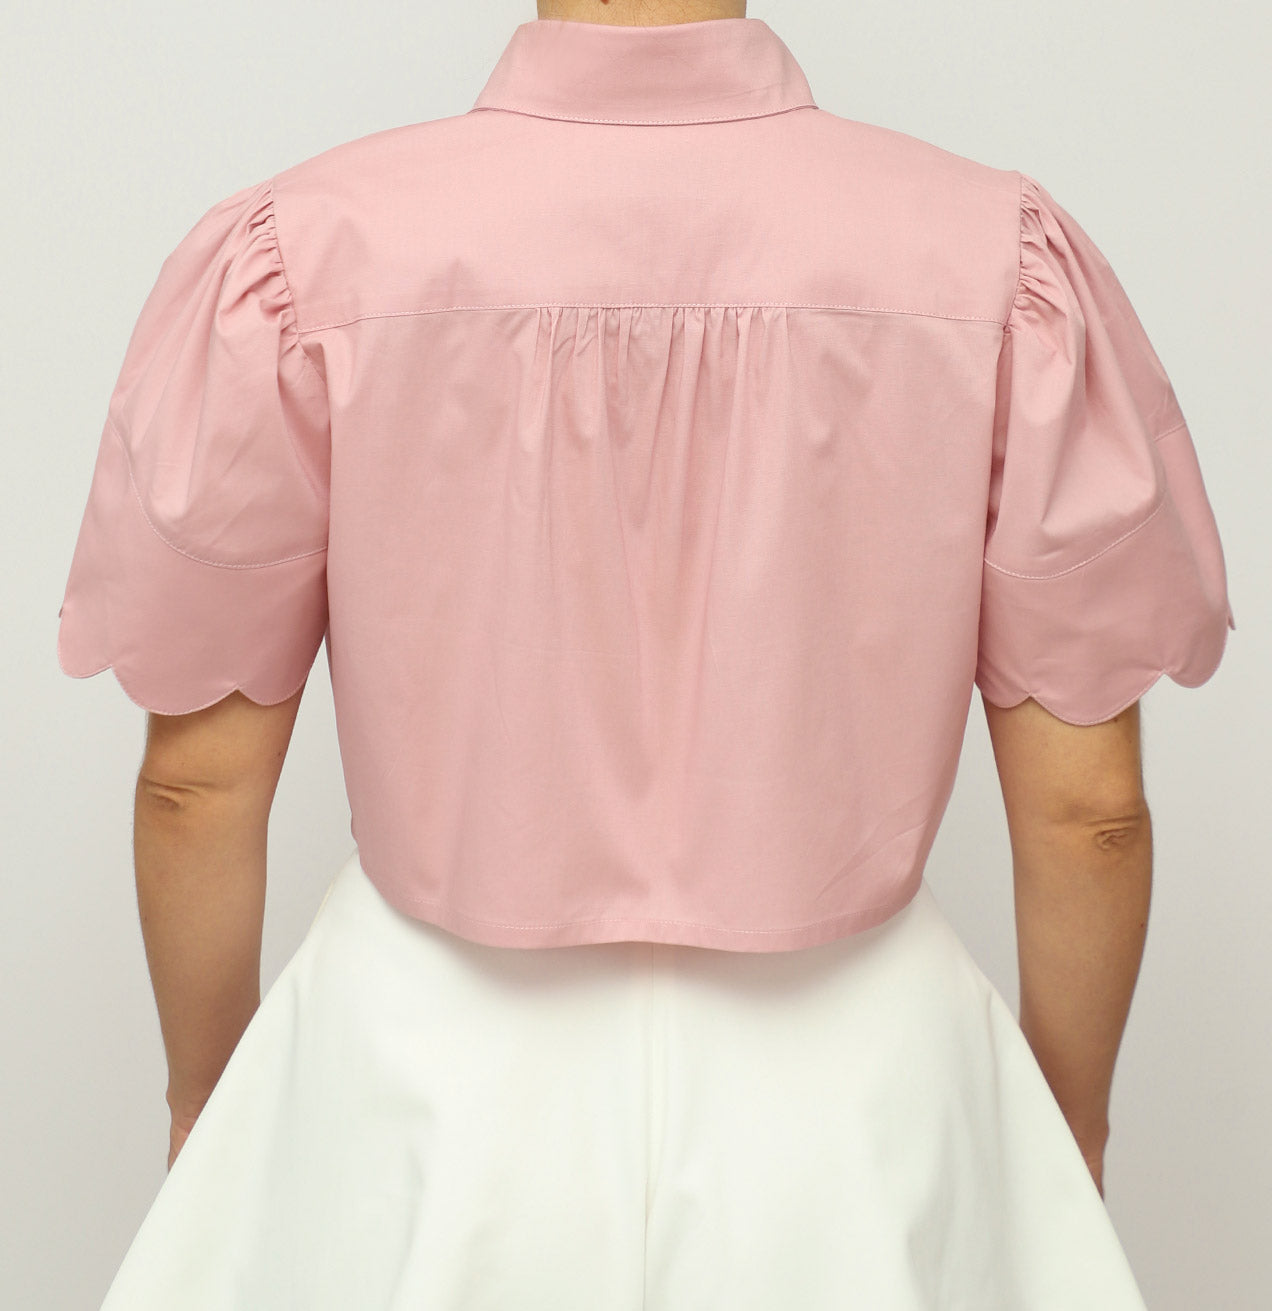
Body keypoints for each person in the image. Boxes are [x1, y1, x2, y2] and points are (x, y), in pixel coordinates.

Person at [56, 1, 1234, 1306]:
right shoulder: (990, 255)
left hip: (423, 1083)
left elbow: (196, 785)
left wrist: (210, 1109)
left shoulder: (309, 254)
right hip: (852, 1097)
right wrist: (1064, 1136)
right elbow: (1090, 815)